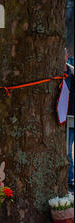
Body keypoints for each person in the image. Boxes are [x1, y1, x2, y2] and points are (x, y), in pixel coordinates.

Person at [65, 48, 74, 192]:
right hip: (65, 118)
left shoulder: (72, 72)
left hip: (72, 115)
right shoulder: (58, 74)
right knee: (66, 152)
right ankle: (69, 180)